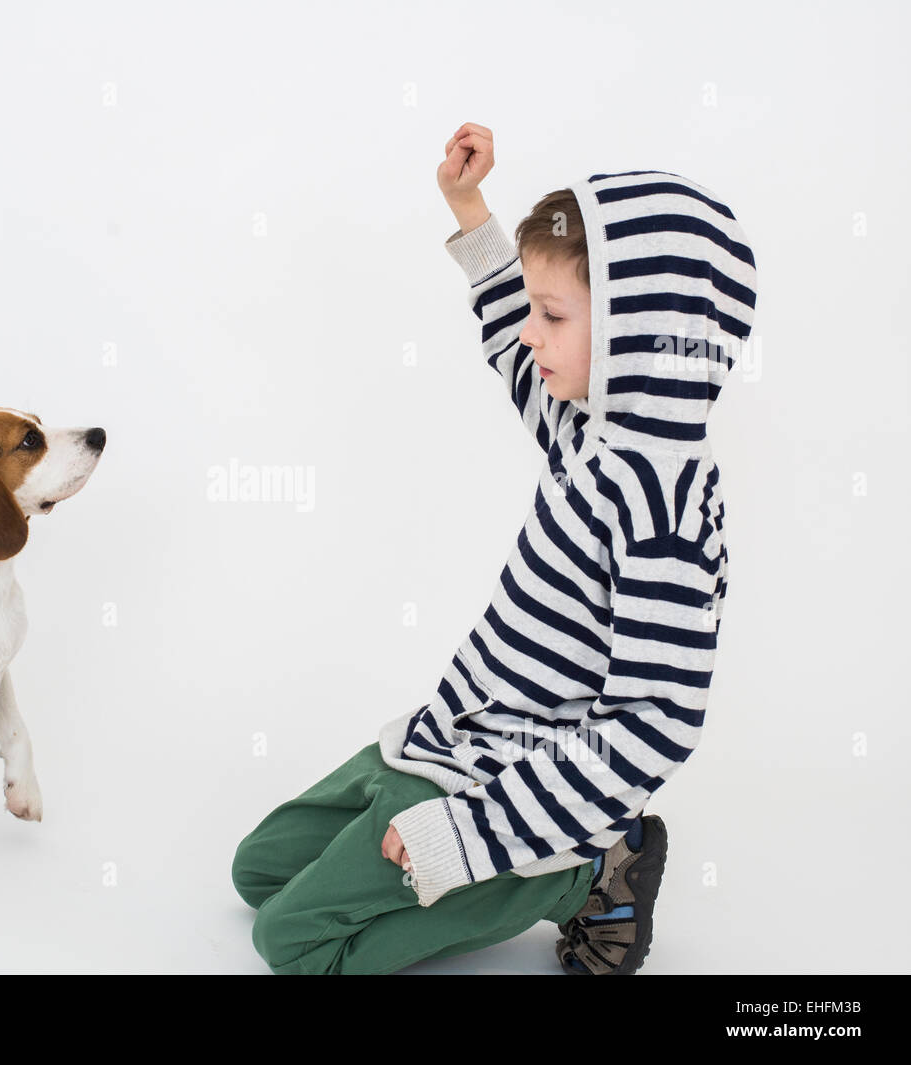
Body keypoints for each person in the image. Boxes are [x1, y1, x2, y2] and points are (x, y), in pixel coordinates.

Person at [231, 122, 757, 975]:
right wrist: (471, 213)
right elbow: (512, 350)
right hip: (445, 737)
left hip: (509, 795)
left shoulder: (665, 517)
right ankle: (444, 824)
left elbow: (655, 722)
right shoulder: (593, 436)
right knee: (257, 871)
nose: (530, 334)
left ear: (645, 334)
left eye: (554, 315)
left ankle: (583, 879)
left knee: (289, 943)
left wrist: (472, 837)